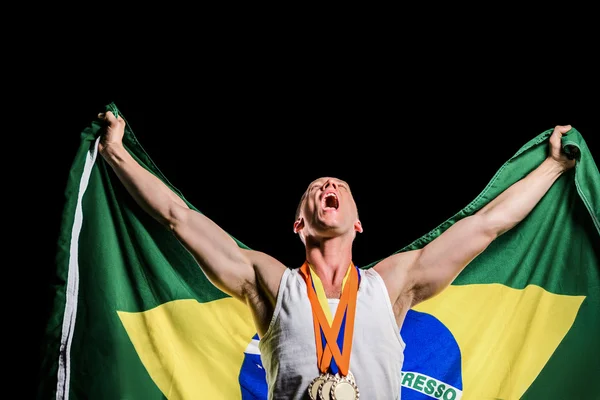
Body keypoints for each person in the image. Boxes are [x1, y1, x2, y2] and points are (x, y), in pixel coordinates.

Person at [97, 110, 575, 400]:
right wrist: (117, 153)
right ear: (299, 223)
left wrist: (553, 166)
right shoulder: (270, 282)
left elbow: (488, 225)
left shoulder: (391, 284)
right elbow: (178, 217)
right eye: (316, 187)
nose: (328, 185)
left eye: (339, 186)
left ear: (358, 222)